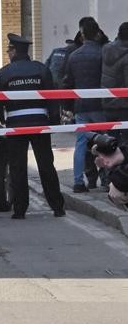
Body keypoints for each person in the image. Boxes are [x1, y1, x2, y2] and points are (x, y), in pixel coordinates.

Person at [0, 33, 66, 219]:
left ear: (14, 51)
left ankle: (20, 210)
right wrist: (53, 122)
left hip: (16, 125)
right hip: (40, 123)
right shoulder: (41, 70)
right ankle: (57, 207)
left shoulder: (3, 73)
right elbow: (52, 98)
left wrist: (4, 120)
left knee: (17, 167)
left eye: (9, 49)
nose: (8, 52)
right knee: (46, 165)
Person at [64, 18, 108, 193]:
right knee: (105, 141)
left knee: (81, 143)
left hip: (81, 106)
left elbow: (67, 83)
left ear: (82, 35)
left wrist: (68, 106)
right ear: (97, 34)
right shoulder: (103, 53)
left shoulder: (74, 56)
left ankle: (78, 182)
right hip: (100, 105)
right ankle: (105, 180)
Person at [102, 22, 128, 141]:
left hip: (107, 102)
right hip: (124, 106)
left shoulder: (105, 49)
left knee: (110, 142)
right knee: (125, 142)